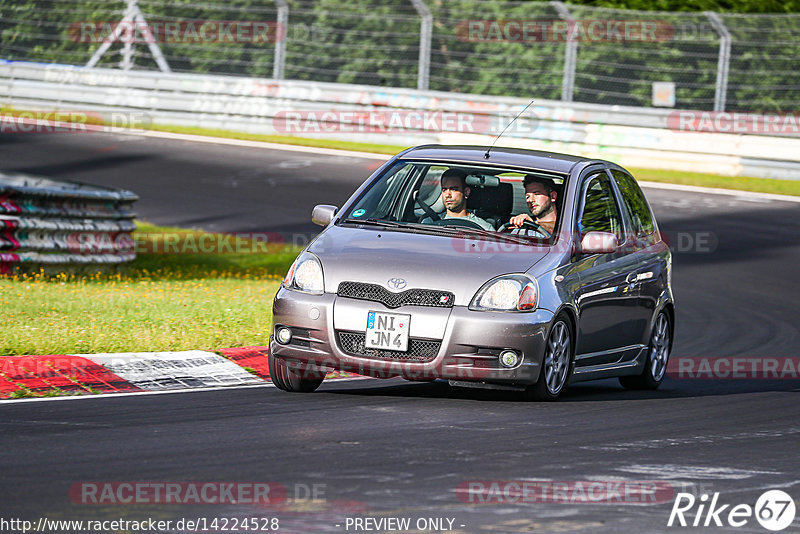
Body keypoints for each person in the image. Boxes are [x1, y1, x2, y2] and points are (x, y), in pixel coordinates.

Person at [422, 168, 494, 230]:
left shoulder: (484, 228)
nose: (447, 195)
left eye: (453, 189)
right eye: (444, 190)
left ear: (466, 192)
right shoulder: (428, 223)